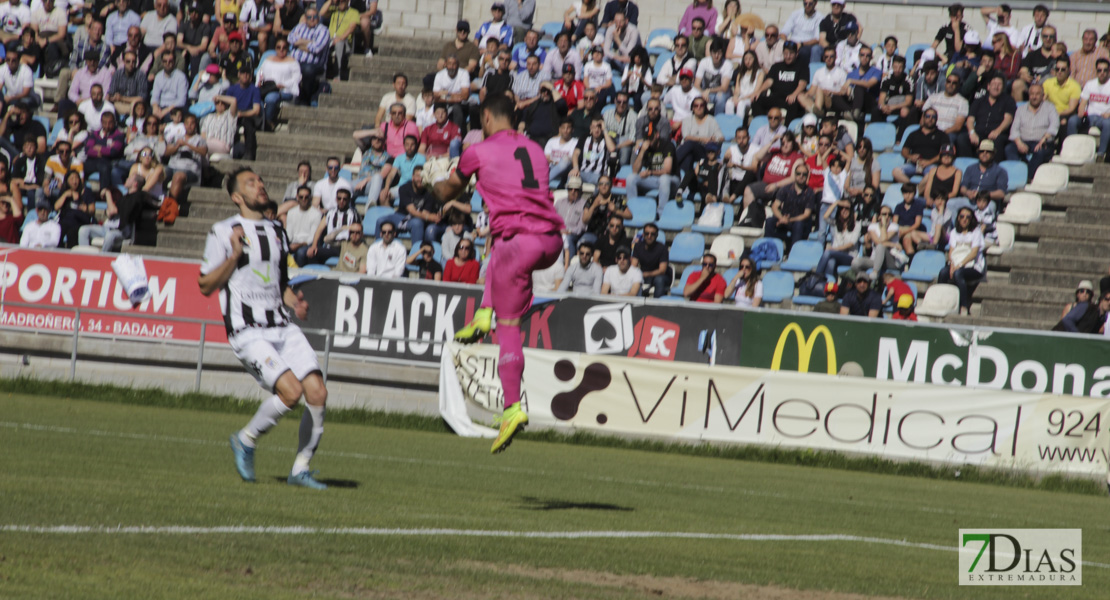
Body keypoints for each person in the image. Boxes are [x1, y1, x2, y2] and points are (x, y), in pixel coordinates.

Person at [432, 94, 565, 454]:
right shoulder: (536, 150)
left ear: (486, 118)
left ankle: (512, 408)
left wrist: (433, 180)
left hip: (520, 243)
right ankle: (484, 313)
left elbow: (448, 190)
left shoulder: (478, 149)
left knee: (509, 330)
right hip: (551, 241)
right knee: (498, 247)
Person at [205, 167, 330, 491]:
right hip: (247, 330)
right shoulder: (222, 231)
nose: (259, 185)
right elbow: (205, 284)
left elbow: (280, 283)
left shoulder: (276, 229)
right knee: (291, 391)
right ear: (236, 197)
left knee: (317, 392)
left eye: (260, 180)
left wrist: (294, 303)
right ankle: (245, 439)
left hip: (281, 325)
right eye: (250, 183)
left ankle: (300, 469)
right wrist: (234, 255)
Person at [937, 207, 985, 315]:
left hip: (974, 267)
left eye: (968, 217)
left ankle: (963, 306)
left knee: (959, 274)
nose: (965, 219)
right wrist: (953, 265)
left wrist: (959, 266)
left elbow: (973, 254)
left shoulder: (976, 233)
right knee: (943, 272)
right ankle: (941, 301)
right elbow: (951, 252)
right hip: (957, 264)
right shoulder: (954, 232)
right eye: (962, 216)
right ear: (958, 218)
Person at [288, 6, 330, 105]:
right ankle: (287, 97)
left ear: (318, 18)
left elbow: (316, 49)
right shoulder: (299, 27)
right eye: (309, 16)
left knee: (307, 69)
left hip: (314, 64)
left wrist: (300, 43)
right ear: (305, 17)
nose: (312, 19)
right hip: (294, 61)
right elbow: (290, 38)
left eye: (314, 16)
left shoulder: (323, 30)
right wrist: (309, 42)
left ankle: (305, 98)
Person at [1068, 58, 1110, 155]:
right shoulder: (1090, 84)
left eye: (1105, 70)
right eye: (1099, 70)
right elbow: (1083, 102)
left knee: (1108, 124)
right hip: (1089, 116)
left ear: (1109, 71)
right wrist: (1081, 111)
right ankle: (1072, 149)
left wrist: (1108, 114)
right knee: (1072, 120)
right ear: (1096, 71)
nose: (1102, 73)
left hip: (1104, 118)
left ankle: (1101, 154)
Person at [893, 108, 947, 183]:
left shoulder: (942, 135)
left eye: (933, 117)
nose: (930, 119)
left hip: (931, 165)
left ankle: (916, 190)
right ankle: (911, 188)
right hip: (914, 165)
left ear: (936, 119)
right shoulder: (914, 134)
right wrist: (910, 157)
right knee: (896, 171)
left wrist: (928, 162)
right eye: (928, 116)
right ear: (923, 118)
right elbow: (904, 151)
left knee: (932, 175)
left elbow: (944, 154)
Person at [257, 39, 300, 131]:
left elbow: (297, 78)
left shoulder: (292, 62)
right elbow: (260, 74)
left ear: (287, 49)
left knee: (270, 98)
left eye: (284, 47)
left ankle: (268, 122)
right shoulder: (268, 60)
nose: (281, 50)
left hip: (285, 90)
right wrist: (260, 83)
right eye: (278, 47)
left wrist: (284, 84)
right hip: (268, 88)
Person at [631, 222, 669, 297]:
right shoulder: (638, 246)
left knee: (659, 280)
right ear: (643, 234)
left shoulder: (662, 248)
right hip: (644, 275)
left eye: (652, 234)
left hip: (659, 275)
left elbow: (662, 270)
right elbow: (633, 266)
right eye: (647, 233)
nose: (649, 236)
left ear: (657, 235)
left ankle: (657, 306)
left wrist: (646, 274)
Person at [783, 0, 824, 64]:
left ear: (815, 3)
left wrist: (801, 44)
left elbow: (817, 39)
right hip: (792, 43)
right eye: (805, 3)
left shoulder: (820, 17)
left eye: (810, 4)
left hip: (808, 45)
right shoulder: (795, 14)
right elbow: (784, 33)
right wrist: (786, 42)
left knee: (804, 51)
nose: (807, 6)